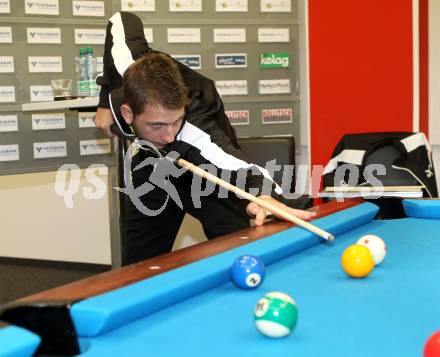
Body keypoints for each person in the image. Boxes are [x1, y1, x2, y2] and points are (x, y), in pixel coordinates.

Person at [95, 12, 315, 265]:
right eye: (156, 125)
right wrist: (104, 101)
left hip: (206, 171)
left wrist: (265, 196)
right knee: (139, 266)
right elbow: (122, 19)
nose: (168, 135)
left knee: (244, 254)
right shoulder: (128, 69)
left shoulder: (194, 131)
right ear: (127, 112)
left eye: (174, 121)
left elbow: (239, 167)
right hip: (152, 166)